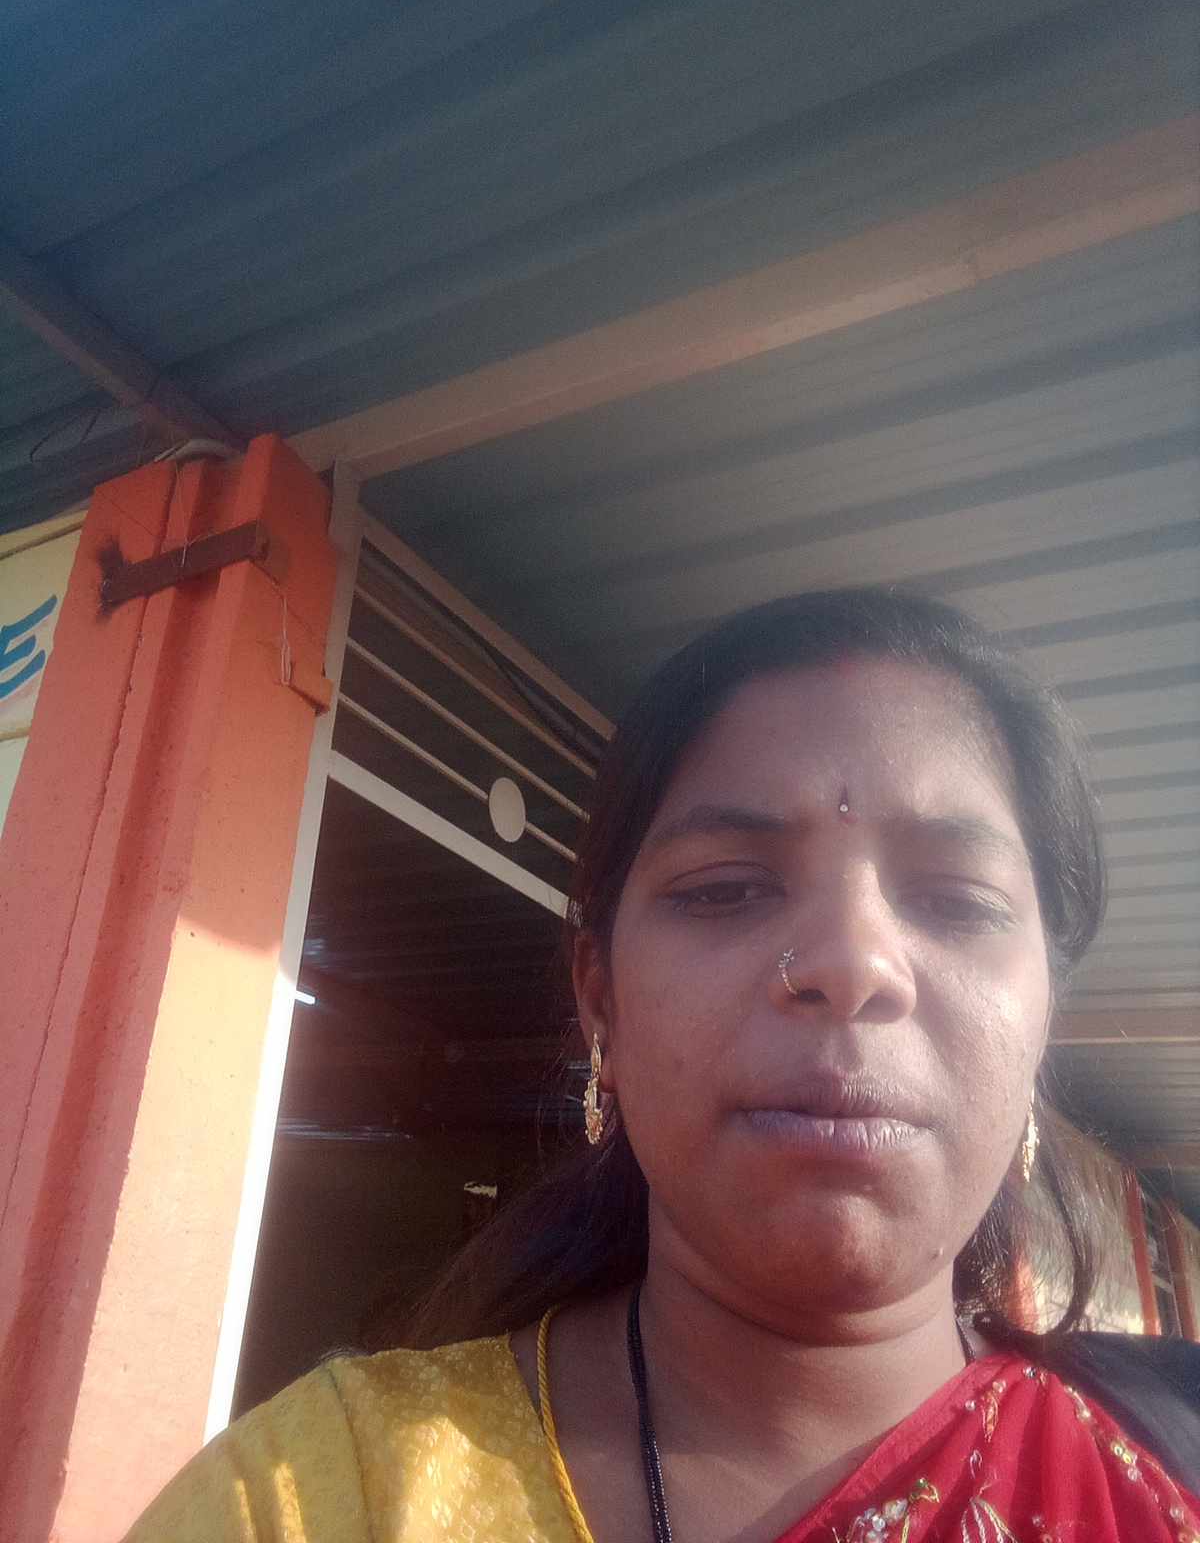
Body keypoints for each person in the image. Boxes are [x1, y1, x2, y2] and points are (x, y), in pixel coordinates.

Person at [126, 589, 1200, 1542]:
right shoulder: (315, 1498)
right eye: (726, 888)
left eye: (958, 901)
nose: (851, 964)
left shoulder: (1164, 1480)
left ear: (1043, 1014)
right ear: (601, 996)